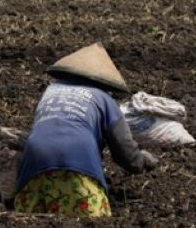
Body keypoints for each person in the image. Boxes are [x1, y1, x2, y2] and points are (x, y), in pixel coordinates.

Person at [15, 43, 157, 217]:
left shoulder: (50, 91)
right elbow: (124, 151)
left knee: (32, 220)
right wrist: (143, 161)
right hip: (78, 161)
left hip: (35, 162)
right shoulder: (105, 99)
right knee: (91, 221)